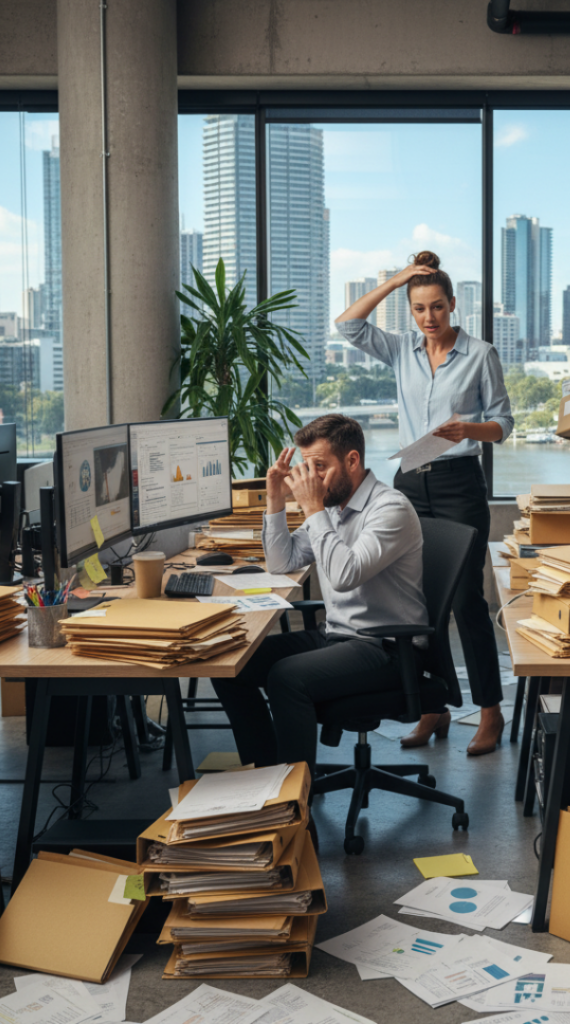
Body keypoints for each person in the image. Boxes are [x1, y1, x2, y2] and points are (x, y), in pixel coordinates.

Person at [336, 251, 513, 756]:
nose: (428, 317)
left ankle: (490, 712)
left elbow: (503, 423)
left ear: (453, 305)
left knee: (465, 602)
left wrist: (468, 429)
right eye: (418, 308)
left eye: (436, 306)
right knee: (418, 600)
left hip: (460, 482)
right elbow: (347, 324)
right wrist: (396, 280)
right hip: (411, 481)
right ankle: (433, 708)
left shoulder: (480, 354)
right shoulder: (400, 351)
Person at [210, 414, 429, 771]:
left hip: (386, 647)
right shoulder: (334, 508)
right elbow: (283, 562)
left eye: (320, 467)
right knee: (230, 664)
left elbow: (345, 575)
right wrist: (276, 501)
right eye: (306, 467)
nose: (311, 478)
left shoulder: (390, 509)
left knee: (286, 678)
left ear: (353, 461)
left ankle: (296, 800)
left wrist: (312, 509)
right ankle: (264, 777)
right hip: (339, 637)